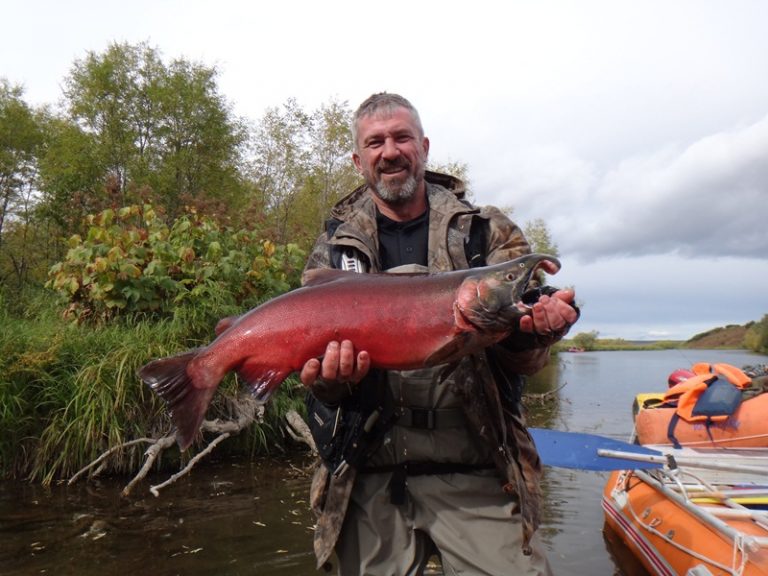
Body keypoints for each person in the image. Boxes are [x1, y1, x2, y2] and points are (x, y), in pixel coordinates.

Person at [299, 92, 579, 576]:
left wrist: (536, 332)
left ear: (424, 147)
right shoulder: (333, 247)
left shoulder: (484, 232)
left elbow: (524, 359)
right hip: (369, 471)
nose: (390, 151)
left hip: (475, 465)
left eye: (402, 138)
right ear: (358, 158)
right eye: (375, 142)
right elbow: (319, 382)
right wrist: (330, 379)